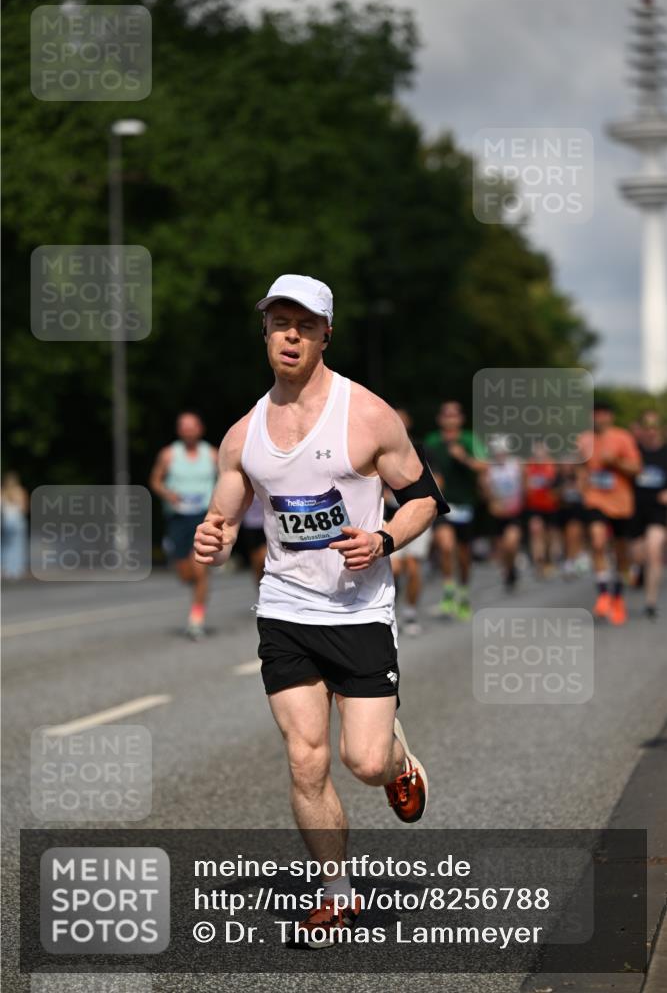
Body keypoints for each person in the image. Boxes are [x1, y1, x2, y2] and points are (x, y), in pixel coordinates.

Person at [194, 274, 448, 946]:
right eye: (279, 322)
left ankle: (399, 761)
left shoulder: (365, 414)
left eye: (304, 324)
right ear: (266, 331)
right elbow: (224, 516)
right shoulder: (243, 434)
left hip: (359, 612)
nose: (290, 334)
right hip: (285, 608)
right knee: (305, 760)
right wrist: (211, 536)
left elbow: (424, 496)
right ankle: (336, 892)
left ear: (325, 333)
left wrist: (385, 536)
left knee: (362, 762)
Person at [150, 412, 218, 639]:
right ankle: (195, 582)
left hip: (203, 516)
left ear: (200, 428)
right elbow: (155, 480)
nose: (188, 430)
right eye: (184, 426)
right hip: (177, 518)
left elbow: (229, 481)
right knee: (185, 573)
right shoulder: (169, 454)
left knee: (200, 570)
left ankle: (196, 619)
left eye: (192, 426)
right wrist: (168, 494)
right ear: (179, 430)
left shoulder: (212, 454)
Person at [578, 401, 641, 626]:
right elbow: (580, 468)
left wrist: (615, 462)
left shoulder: (622, 437)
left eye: (602, 414)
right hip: (595, 499)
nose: (598, 418)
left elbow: (636, 468)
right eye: (594, 414)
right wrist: (581, 484)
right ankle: (604, 593)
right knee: (597, 542)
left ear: (610, 417)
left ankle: (618, 597)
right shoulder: (584, 439)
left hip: (621, 502)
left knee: (621, 553)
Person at [424, 401, 487, 619]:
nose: (450, 419)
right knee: (446, 546)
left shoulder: (469, 439)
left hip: (466, 503)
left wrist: (464, 458)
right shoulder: (432, 441)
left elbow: (484, 466)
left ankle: (463, 591)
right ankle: (449, 591)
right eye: (446, 415)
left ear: (460, 419)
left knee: (463, 555)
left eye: (454, 415)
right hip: (443, 503)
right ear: (440, 419)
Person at [385, 409, 431, 636]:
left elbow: (436, 481)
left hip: (416, 514)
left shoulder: (419, 449)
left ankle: (410, 612)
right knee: (393, 569)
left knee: (413, 567)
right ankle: (389, 612)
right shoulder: (380, 448)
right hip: (389, 517)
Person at [632, 409, 667, 619]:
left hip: (658, 511)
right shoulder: (633, 452)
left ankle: (650, 602)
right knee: (638, 556)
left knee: (654, 551)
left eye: (654, 427)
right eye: (647, 427)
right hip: (634, 511)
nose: (651, 431)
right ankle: (639, 573)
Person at [483, 435, 524, 590]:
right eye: (496, 452)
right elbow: (486, 493)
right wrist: (493, 504)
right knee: (502, 548)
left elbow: (525, 487)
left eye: (502, 451)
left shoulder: (516, 465)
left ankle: (512, 567)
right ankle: (509, 571)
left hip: (514, 512)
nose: (499, 454)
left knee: (511, 544)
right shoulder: (489, 469)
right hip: (498, 514)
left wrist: (519, 504)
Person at [523, 441, 560, 578]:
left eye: (541, 452)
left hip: (550, 506)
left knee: (549, 536)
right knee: (536, 532)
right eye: (536, 452)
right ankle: (539, 563)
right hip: (534, 506)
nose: (539, 455)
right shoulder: (528, 466)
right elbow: (524, 485)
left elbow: (557, 485)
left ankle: (549, 560)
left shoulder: (552, 465)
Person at [557, 463, 588, 579]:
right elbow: (553, 494)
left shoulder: (580, 477)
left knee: (575, 535)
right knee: (567, 538)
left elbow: (584, 491)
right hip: (565, 512)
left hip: (578, 511)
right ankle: (572, 560)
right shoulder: (559, 479)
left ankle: (572, 560)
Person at [1, 472, 29, 580]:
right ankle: (16, 569)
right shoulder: (20, 491)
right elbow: (24, 508)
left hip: (6, 520)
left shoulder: (2, 491)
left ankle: (5, 567)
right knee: (18, 545)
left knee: (5, 545)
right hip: (17, 520)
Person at [237, 494, 267, 586]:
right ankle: (260, 587)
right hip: (250, 526)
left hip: (266, 525)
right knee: (256, 562)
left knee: (263, 558)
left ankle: (268, 583)